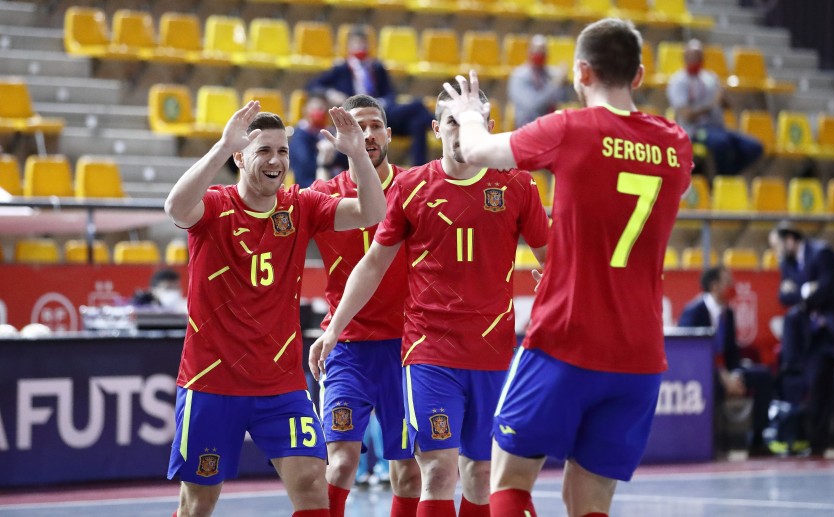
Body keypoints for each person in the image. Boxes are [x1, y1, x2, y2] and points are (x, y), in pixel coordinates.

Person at [440, 18, 694, 517]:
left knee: (508, 479)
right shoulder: (676, 144)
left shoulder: (570, 129)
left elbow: (476, 151)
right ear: (639, 76)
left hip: (567, 337)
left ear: (581, 72)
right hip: (640, 354)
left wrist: (469, 115)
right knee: (589, 498)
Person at [309, 83, 549, 517]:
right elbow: (373, 263)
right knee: (436, 472)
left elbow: (553, 258)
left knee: (480, 475)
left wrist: (558, 284)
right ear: (437, 129)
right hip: (428, 351)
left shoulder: (517, 185)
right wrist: (334, 329)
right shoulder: (412, 186)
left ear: (487, 128)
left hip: (493, 351)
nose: (461, 131)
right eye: (452, 121)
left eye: (470, 121)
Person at [162, 100, 386, 517]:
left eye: (282, 151)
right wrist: (220, 147)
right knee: (198, 503)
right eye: (263, 150)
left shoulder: (299, 206)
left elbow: (372, 212)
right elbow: (175, 208)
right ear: (240, 157)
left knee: (312, 482)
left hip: (280, 384)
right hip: (212, 381)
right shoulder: (215, 206)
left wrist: (357, 154)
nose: (275, 160)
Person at [306, 94, 421, 517]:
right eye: (357, 126)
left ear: (388, 135)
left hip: (406, 349)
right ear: (340, 136)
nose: (367, 134)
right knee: (340, 465)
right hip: (347, 347)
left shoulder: (416, 188)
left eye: (374, 126)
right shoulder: (322, 196)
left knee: (408, 472)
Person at [769, 221, 834, 456]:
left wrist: (800, 292)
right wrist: (807, 290)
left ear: (789, 239)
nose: (775, 251)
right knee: (817, 383)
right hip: (817, 334)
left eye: (776, 245)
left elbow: (828, 287)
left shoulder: (822, 253)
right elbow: (783, 296)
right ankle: (817, 442)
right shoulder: (787, 263)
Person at [678, 266, 774, 456]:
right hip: (702, 373)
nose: (733, 286)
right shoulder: (693, 312)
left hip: (727, 371)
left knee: (764, 376)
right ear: (714, 286)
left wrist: (735, 375)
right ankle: (715, 443)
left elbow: (732, 354)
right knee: (715, 385)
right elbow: (689, 356)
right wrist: (722, 377)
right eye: (728, 282)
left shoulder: (728, 313)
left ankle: (757, 441)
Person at [307, 25, 433, 166]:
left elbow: (391, 93)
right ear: (349, 46)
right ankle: (436, 124)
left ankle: (419, 168)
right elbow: (312, 85)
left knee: (417, 122)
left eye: (363, 43)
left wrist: (383, 102)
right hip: (358, 115)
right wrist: (331, 93)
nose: (360, 47)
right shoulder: (341, 69)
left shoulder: (377, 67)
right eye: (356, 44)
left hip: (381, 111)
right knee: (418, 106)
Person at [666, 39, 763, 176]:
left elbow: (727, 106)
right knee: (721, 143)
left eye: (699, 56)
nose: (696, 60)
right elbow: (687, 116)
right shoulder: (678, 81)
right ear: (685, 57)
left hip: (718, 128)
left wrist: (726, 98)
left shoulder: (711, 78)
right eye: (692, 56)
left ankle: (727, 176)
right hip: (696, 131)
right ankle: (720, 179)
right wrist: (711, 105)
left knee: (753, 147)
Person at [507, 34, 571, 129]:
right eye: (537, 52)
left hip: (550, 126)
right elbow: (532, 106)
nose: (539, 55)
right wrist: (555, 85)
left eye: (542, 53)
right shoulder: (518, 76)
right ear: (529, 52)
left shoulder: (550, 73)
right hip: (527, 127)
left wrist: (564, 85)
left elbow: (564, 100)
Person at [289, 94, 349, 187]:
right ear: (306, 110)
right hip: (308, 185)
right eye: (317, 109)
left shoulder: (330, 132)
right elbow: (307, 165)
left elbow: (345, 160)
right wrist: (324, 156)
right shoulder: (299, 136)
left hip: (336, 183)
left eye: (324, 109)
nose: (320, 112)